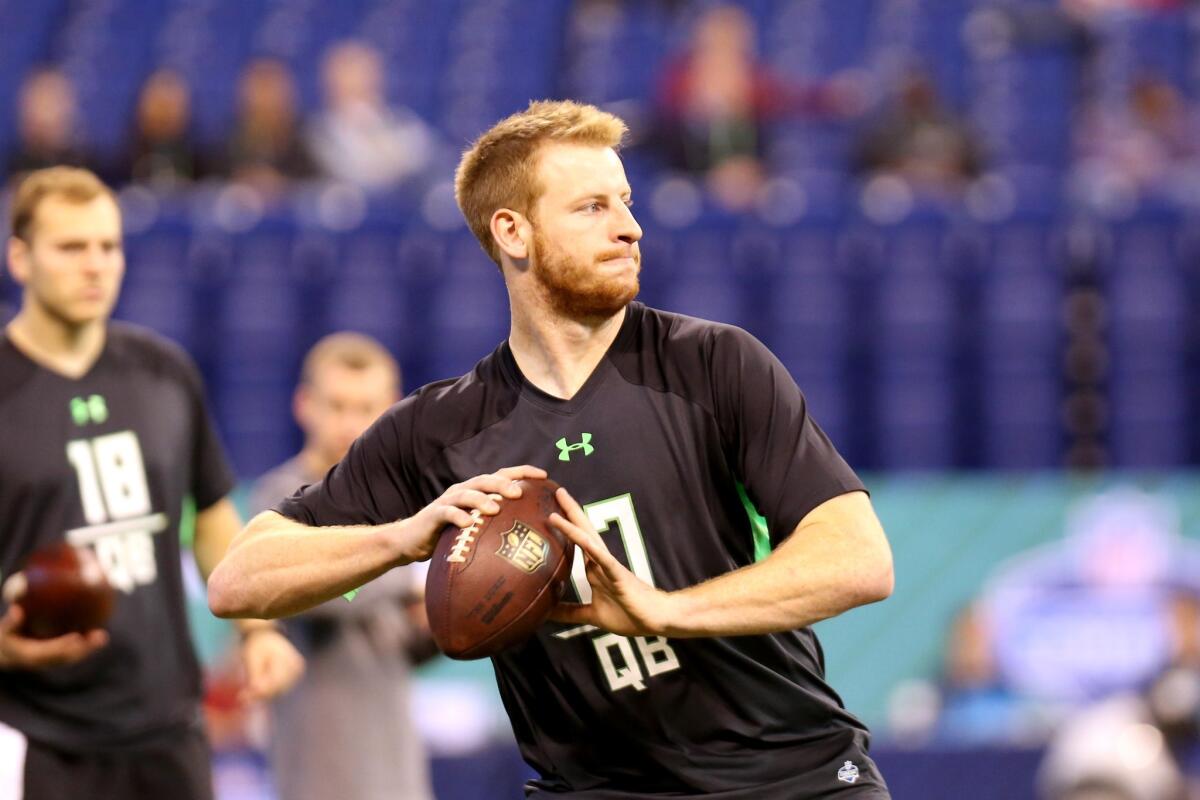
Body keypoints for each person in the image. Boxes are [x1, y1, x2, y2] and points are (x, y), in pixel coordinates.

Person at [210, 100, 894, 798]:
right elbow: (238, 581)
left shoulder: (715, 364)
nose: (629, 228)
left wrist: (667, 610)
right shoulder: (440, 430)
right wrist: (404, 538)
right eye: (592, 207)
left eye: (625, 202)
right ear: (514, 231)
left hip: (793, 776)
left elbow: (859, 559)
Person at [0, 167, 304, 800]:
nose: (96, 265)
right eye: (71, 247)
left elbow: (214, 511)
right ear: (20, 257)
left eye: (108, 247)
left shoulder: (163, 372)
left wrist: (256, 629)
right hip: (40, 734)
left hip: (168, 727)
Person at [247, 332, 434, 800]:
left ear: (392, 410)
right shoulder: (279, 504)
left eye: (366, 407)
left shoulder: (400, 506)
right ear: (304, 404)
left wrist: (449, 617)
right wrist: (409, 564)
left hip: (395, 762)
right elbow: (331, 596)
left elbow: (401, 640)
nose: (350, 423)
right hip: (319, 768)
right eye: (336, 405)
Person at [306, 40, 439, 191]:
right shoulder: (319, 132)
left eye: (364, 74)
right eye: (350, 74)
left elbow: (422, 159)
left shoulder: (401, 121)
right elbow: (350, 171)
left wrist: (373, 129)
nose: (359, 83)